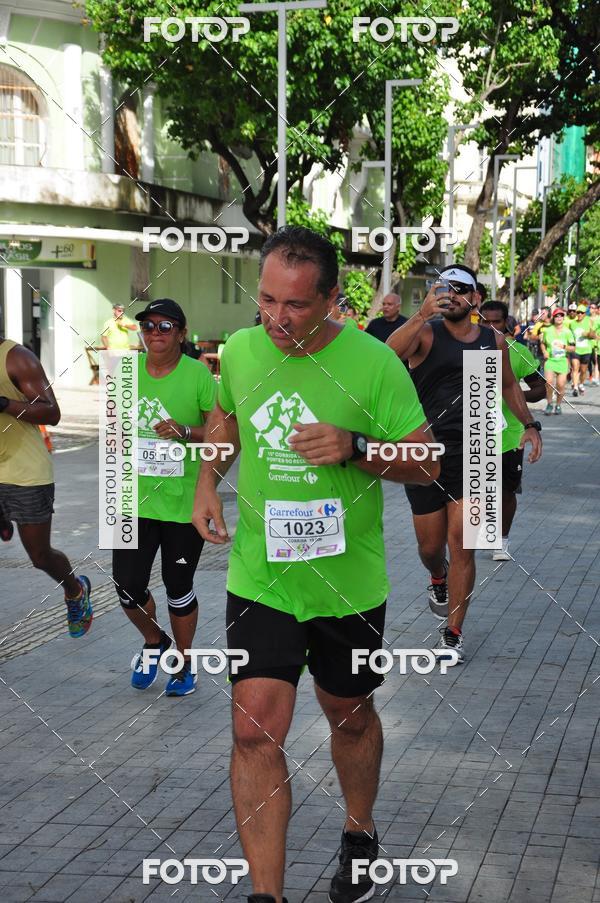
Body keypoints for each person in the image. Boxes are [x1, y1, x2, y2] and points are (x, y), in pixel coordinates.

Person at [192, 226, 439, 903]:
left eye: (295, 305)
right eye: (267, 299)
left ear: (332, 299)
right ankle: (266, 895)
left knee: (348, 715)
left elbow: (427, 461)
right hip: (262, 576)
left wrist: (357, 447)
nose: (276, 317)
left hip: (346, 584)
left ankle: (359, 831)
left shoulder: (373, 363)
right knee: (253, 728)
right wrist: (207, 480)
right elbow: (226, 417)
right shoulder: (242, 349)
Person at [387, 263, 542, 664]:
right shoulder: (426, 333)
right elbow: (386, 357)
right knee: (430, 546)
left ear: (474, 297)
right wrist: (420, 314)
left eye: (459, 288)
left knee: (464, 545)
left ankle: (453, 633)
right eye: (443, 288)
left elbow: (508, 384)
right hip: (425, 452)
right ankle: (436, 576)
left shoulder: (492, 340)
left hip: (477, 451)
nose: (451, 294)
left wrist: (529, 425)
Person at [112, 298, 217, 697]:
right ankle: (155, 641)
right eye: (148, 326)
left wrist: (186, 432)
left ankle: (184, 664)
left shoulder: (198, 374)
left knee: (178, 585)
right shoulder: (124, 372)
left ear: (181, 333)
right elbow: (114, 430)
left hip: (182, 502)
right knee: (126, 587)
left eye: (165, 326)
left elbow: (223, 432)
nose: (155, 333)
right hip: (130, 499)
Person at [0, 338, 92, 636]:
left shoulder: (16, 358)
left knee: (39, 556)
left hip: (24, 472)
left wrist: (4, 403)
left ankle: (75, 590)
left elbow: (52, 413)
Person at [480, 302, 546, 560]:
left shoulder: (517, 352)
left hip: (509, 435)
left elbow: (540, 390)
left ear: (506, 323)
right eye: (484, 321)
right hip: (472, 432)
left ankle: (501, 540)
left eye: (495, 322)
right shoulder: (466, 349)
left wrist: (514, 396)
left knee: (506, 491)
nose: (490, 327)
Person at [540, 309, 575, 414]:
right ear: (553, 318)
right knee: (549, 383)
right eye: (557, 316)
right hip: (550, 360)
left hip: (562, 361)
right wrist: (544, 351)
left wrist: (563, 346)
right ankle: (549, 404)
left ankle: (558, 405)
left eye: (561, 316)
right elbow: (542, 343)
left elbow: (573, 348)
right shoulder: (548, 330)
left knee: (560, 385)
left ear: (563, 318)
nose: (559, 318)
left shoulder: (568, 332)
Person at [570, 304, 596, 396]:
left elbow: (593, 336)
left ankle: (581, 383)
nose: (580, 314)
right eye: (578, 312)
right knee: (575, 368)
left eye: (582, 313)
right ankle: (575, 388)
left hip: (586, 350)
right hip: (575, 350)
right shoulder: (572, 323)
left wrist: (588, 334)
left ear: (585, 314)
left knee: (583, 371)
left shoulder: (589, 321)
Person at [589, 302, 600, 385]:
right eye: (590, 307)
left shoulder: (597, 318)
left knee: (596, 361)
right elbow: (592, 331)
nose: (591, 309)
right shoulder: (587, 318)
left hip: (596, 343)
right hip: (593, 343)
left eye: (593, 308)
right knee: (595, 361)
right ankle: (595, 377)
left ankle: (596, 377)